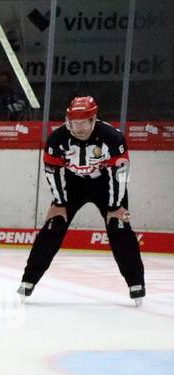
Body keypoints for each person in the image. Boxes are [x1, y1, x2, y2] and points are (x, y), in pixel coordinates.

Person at [19, 96, 145, 305]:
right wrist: (59, 203)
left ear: (93, 119)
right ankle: (28, 280)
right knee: (53, 226)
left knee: (120, 226)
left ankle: (136, 283)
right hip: (72, 185)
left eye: (82, 122)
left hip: (106, 184)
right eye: (74, 122)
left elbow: (121, 173)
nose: (78, 128)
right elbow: (52, 172)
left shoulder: (113, 137)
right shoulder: (57, 138)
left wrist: (115, 206)